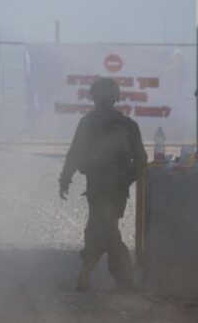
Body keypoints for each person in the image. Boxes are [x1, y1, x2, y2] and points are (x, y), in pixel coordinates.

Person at [59, 77, 147, 292]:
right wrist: (128, 179)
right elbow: (141, 161)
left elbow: (75, 153)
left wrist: (65, 178)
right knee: (105, 230)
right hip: (113, 189)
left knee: (101, 230)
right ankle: (123, 279)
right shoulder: (127, 125)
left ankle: (92, 275)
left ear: (95, 98)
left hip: (99, 188)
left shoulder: (89, 123)